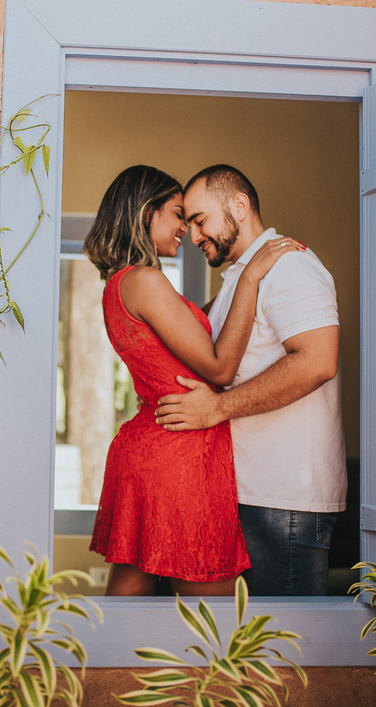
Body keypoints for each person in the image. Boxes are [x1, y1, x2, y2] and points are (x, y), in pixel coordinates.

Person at [81, 164, 301, 597]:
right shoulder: (146, 281)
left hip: (156, 443)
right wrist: (251, 275)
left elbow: (183, 335)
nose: (186, 228)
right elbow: (219, 368)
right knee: (215, 616)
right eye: (178, 214)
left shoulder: (121, 285)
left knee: (129, 601)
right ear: (147, 213)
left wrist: (235, 281)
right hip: (177, 452)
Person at [154, 164, 346, 597]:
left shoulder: (290, 266)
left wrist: (216, 408)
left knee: (283, 637)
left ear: (239, 205)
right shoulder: (239, 280)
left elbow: (318, 361)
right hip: (249, 491)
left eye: (200, 221)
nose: (194, 235)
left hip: (284, 500)